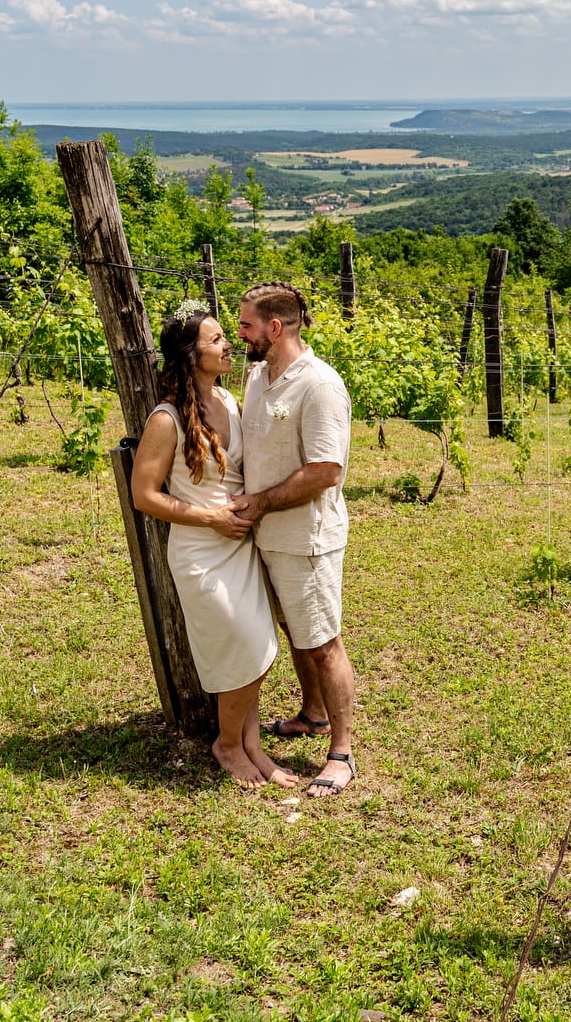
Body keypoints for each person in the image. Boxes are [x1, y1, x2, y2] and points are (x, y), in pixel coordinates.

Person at [128, 302, 297, 788]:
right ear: (190, 354)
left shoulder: (228, 400)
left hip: (241, 546)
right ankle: (227, 743)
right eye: (217, 339)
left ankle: (252, 746)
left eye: (227, 336)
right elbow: (145, 495)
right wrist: (212, 517)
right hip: (202, 549)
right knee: (240, 641)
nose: (229, 344)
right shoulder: (165, 419)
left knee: (257, 645)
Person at [232, 280, 359, 798]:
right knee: (293, 628)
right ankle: (313, 714)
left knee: (323, 641)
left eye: (245, 325)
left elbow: (327, 470)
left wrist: (259, 503)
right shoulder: (259, 376)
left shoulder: (320, 385)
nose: (239, 334)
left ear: (275, 327)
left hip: (306, 538)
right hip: (268, 534)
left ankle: (343, 754)